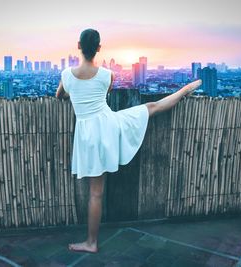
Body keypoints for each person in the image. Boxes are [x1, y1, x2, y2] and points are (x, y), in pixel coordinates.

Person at [56, 28, 202, 253]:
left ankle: (91, 242)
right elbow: (103, 92)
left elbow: (61, 95)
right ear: (98, 48)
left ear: (78, 46)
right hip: (108, 125)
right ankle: (184, 90)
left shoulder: (66, 75)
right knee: (152, 108)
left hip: (88, 135)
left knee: (95, 193)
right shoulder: (107, 75)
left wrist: (71, 93)